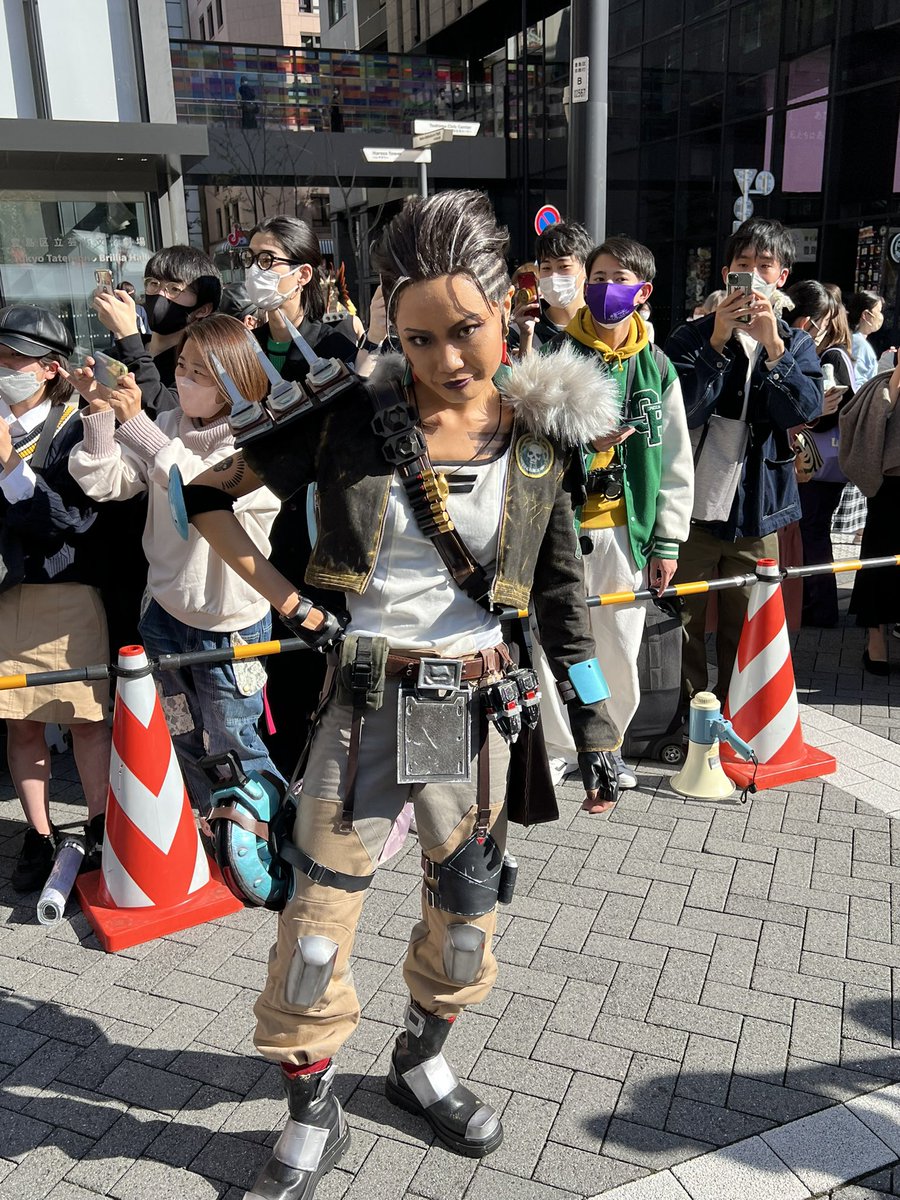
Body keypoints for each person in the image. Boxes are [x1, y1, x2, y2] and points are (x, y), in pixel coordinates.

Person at [176, 189, 622, 1200]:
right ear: (393, 326)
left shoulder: (540, 436)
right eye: (419, 338)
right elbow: (202, 497)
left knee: (466, 918)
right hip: (366, 701)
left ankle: (420, 1062)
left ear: (508, 308)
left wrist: (596, 728)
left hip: (472, 709)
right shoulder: (348, 421)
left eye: (464, 330)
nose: (445, 359)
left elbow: (560, 597)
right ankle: (312, 1106)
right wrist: (292, 602)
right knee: (313, 926)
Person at [68, 315, 282, 810]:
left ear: (234, 380)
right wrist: (98, 413)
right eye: (181, 366)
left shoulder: (259, 440)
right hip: (164, 612)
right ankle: (208, 828)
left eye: (198, 373)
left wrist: (137, 426)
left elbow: (199, 489)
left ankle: (259, 837)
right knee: (181, 734)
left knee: (235, 740)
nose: (182, 379)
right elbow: (109, 483)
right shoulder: (167, 426)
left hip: (230, 623)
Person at [532, 236, 693, 789]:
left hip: (628, 531)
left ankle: (610, 743)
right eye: (597, 278)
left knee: (620, 646)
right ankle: (559, 745)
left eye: (618, 279)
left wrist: (668, 543)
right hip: (561, 527)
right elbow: (531, 441)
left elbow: (675, 460)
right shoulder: (556, 354)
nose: (604, 289)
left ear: (642, 291)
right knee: (555, 641)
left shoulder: (657, 366)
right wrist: (583, 439)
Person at [665, 217, 823, 702]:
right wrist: (716, 342)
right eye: (743, 264)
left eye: (764, 266)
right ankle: (686, 716)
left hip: (757, 510)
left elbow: (804, 411)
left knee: (749, 624)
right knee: (680, 622)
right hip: (690, 509)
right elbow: (679, 411)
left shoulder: (796, 343)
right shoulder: (692, 336)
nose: (753, 275)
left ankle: (737, 715)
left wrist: (774, 347)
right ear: (726, 273)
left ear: (782, 276)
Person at [240, 215, 377, 774]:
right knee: (268, 667)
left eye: (266, 260)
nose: (254, 271)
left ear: (301, 274)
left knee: (316, 654)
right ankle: (275, 778)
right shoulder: (244, 343)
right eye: (249, 259)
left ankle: (324, 776)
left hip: (313, 522)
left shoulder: (333, 343)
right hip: (250, 521)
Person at [0, 306, 111, 892]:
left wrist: (7, 464)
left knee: (86, 720)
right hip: (5, 595)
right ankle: (38, 834)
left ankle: (100, 827)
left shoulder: (75, 423)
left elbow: (70, 519)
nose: (2, 367)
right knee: (21, 724)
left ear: (49, 369)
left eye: (13, 358)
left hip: (67, 590)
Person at [787, 282, 856, 628]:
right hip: (828, 464)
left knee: (812, 533)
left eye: (825, 321)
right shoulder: (835, 354)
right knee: (814, 532)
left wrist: (811, 410)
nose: (819, 327)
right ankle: (818, 605)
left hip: (820, 464)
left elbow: (834, 410)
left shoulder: (830, 356)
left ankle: (820, 606)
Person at [92, 245, 222, 399]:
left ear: (203, 309)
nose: (160, 294)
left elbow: (167, 408)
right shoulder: (116, 355)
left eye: (174, 289)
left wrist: (127, 335)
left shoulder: (198, 365)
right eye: (153, 283)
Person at [840, 360, 900, 673]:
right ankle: (875, 636)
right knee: (880, 557)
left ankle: (882, 635)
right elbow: (881, 412)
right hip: (891, 485)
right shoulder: (885, 380)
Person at [512, 220, 593, 357]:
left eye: (563, 266)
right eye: (546, 268)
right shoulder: (520, 332)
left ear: (586, 269)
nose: (554, 276)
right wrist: (526, 339)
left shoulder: (600, 328)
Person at [848, 290, 885, 385]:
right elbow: (857, 382)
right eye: (879, 311)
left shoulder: (855, 339)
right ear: (865, 314)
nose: (881, 316)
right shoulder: (859, 344)